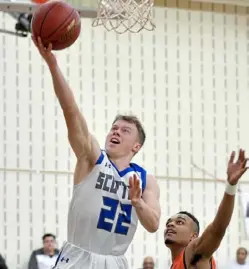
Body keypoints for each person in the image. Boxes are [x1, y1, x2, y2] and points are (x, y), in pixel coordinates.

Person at [32, 37, 161, 269]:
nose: (116, 131)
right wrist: (52, 64)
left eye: (125, 130)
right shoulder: (92, 158)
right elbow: (70, 110)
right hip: (79, 256)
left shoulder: (145, 180)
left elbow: (153, 225)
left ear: (136, 146)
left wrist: (137, 202)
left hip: (115, 261)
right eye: (114, 127)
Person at [164, 149, 248, 269]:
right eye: (169, 223)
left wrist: (231, 186)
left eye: (180, 222)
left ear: (193, 236)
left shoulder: (193, 251)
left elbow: (217, 229)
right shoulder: (176, 264)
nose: (171, 224)